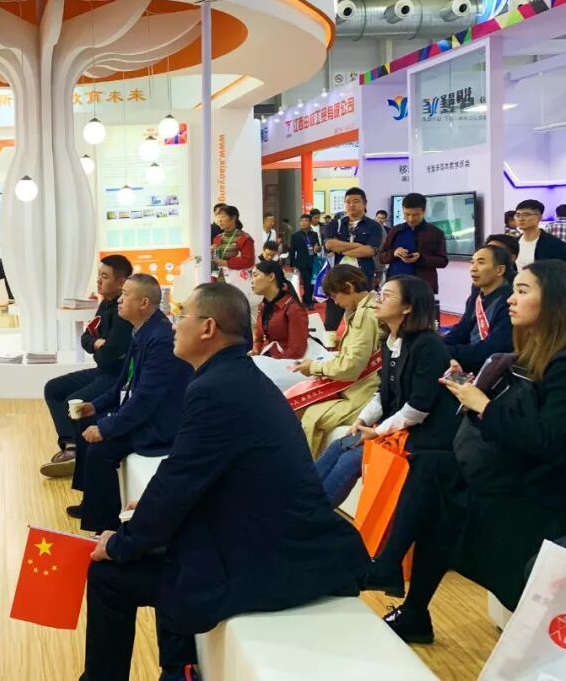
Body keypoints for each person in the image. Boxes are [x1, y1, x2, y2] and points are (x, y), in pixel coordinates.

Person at [81, 282, 370, 681]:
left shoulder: (216, 389)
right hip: (275, 540)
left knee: (111, 575)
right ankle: (178, 669)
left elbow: (178, 483)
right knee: (167, 543)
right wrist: (144, 516)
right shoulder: (234, 378)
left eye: (183, 315)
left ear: (208, 328)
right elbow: (187, 475)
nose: (174, 325)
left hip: (274, 563)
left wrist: (119, 544)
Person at [372, 261, 566, 644]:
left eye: (523, 291)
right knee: (432, 468)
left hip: (538, 493)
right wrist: (474, 389)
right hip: (516, 472)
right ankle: (397, 581)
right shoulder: (533, 354)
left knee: (439, 491)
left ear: (554, 300)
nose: (511, 299)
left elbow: (549, 439)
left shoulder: (559, 364)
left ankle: (393, 578)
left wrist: (483, 405)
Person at [314, 276, 458, 507]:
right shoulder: (390, 340)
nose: (378, 300)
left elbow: (418, 409)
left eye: (387, 296)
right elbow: (384, 392)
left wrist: (377, 431)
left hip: (425, 433)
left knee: (352, 459)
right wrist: (362, 420)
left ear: (407, 307)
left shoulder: (428, 345)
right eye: (380, 293)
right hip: (399, 425)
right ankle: (302, 503)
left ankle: (315, 515)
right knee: (339, 445)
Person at [68, 274, 193, 533]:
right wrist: (94, 406)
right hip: (141, 412)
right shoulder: (143, 331)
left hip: (159, 424)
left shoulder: (160, 339)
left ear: (144, 303)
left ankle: (107, 527)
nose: (119, 300)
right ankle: (92, 502)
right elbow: (123, 384)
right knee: (85, 423)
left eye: (126, 295)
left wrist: (107, 428)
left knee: (100, 450)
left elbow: (146, 399)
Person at [41, 256, 135, 478]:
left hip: (116, 377)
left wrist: (98, 345)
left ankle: (81, 457)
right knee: (53, 388)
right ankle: (71, 446)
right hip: (101, 372)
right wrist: (97, 343)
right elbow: (86, 337)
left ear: (121, 282)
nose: (98, 281)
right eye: (99, 275)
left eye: (105, 276)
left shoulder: (124, 311)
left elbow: (108, 356)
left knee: (72, 403)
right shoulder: (104, 304)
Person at [290, 265, 382, 457]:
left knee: (311, 417)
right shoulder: (365, 309)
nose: (335, 302)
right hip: (358, 387)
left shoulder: (365, 315)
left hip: (363, 392)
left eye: (334, 296)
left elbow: (351, 366)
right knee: (300, 404)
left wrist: (314, 367)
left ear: (349, 287)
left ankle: (308, 468)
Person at [442, 246, 514, 374]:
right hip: (468, 358)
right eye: (472, 262)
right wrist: (440, 346)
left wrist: (447, 351)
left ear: (500, 270)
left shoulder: (510, 302)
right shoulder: (477, 296)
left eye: (481, 263)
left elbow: (493, 349)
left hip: (491, 369)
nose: (473, 268)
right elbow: (462, 329)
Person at [323, 188, 384, 333]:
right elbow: (329, 245)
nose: (351, 205)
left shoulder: (374, 226)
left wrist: (341, 248)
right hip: (337, 277)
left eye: (356, 201)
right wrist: (357, 246)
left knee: (362, 319)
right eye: (348, 202)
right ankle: (329, 344)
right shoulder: (335, 224)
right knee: (331, 322)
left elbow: (369, 251)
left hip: (362, 277)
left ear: (364, 204)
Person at [378, 193, 449, 294]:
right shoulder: (395, 231)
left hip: (422, 287)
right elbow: (381, 257)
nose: (411, 219)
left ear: (423, 211)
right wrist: (394, 253)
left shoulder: (435, 233)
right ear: (403, 210)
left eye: (415, 215)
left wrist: (420, 258)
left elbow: (443, 261)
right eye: (407, 214)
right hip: (395, 284)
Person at [251, 260, 308, 360]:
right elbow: (259, 339)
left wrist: (273, 362)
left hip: (284, 363)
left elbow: (296, 351)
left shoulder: (293, 309)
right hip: (267, 358)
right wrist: (256, 350)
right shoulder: (263, 306)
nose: (252, 281)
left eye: (255, 275)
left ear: (271, 277)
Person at [211, 205, 256, 304]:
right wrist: (212, 253)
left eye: (223, 216)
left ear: (233, 218)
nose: (219, 220)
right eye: (218, 216)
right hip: (220, 280)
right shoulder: (218, 238)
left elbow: (248, 260)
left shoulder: (244, 238)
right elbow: (215, 261)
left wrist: (225, 263)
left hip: (237, 282)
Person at [514, 199, 566, 268]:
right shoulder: (514, 243)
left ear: (540, 217)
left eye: (526, 215)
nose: (521, 218)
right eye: (518, 215)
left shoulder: (555, 245)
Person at [289, 213, 320, 309]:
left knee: (313, 282)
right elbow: (292, 250)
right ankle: (309, 302)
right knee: (306, 282)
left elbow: (318, 246)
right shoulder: (295, 236)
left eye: (305, 221)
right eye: (301, 221)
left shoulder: (314, 234)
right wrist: (292, 264)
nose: (303, 223)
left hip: (313, 261)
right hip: (302, 262)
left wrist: (318, 248)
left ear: (310, 223)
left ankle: (307, 298)